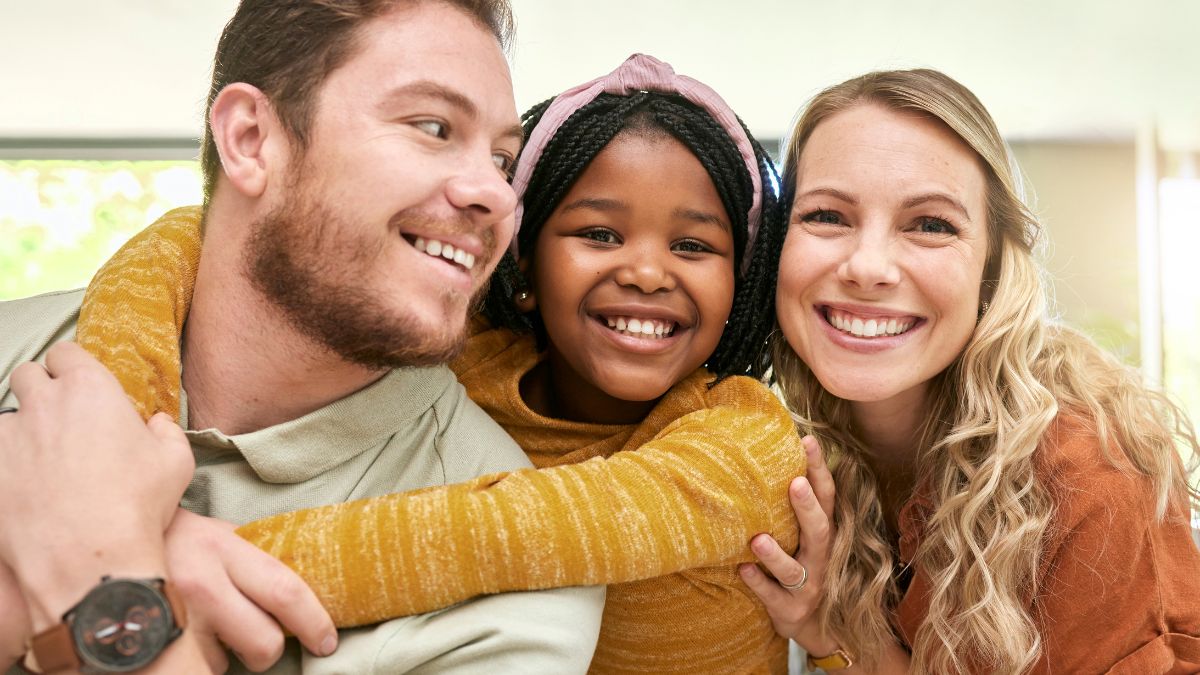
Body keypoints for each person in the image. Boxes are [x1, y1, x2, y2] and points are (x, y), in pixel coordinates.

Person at [57, 54, 804, 673]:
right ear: (522, 266)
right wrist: (107, 452)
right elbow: (189, 237)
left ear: (739, 284)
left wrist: (129, 543)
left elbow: (486, 536)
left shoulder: (746, 444)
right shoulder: (463, 356)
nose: (647, 271)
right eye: (599, 234)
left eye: (694, 245)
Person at [0, 0, 605, 673]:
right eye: (434, 127)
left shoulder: (516, 577)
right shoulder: (14, 346)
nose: (495, 194)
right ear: (252, 140)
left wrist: (109, 574)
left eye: (501, 160)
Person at [737, 68, 1200, 673]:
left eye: (931, 225)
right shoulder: (767, 441)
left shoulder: (1089, 477)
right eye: (827, 216)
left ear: (992, 269)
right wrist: (828, 629)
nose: (867, 267)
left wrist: (836, 638)